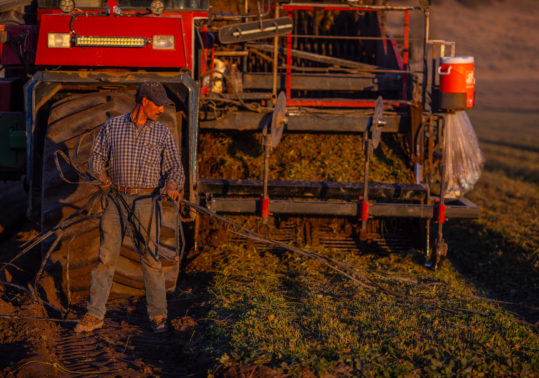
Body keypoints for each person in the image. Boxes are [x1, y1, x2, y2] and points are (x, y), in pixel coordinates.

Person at [74, 81, 184, 334]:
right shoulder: (112, 126)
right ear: (144, 101)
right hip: (115, 200)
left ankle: (158, 316)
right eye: (158, 104)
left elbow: (174, 168)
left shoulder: (162, 132)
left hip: (147, 201)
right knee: (106, 258)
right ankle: (94, 314)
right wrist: (100, 177)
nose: (161, 109)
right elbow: (97, 158)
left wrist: (173, 185)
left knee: (151, 259)